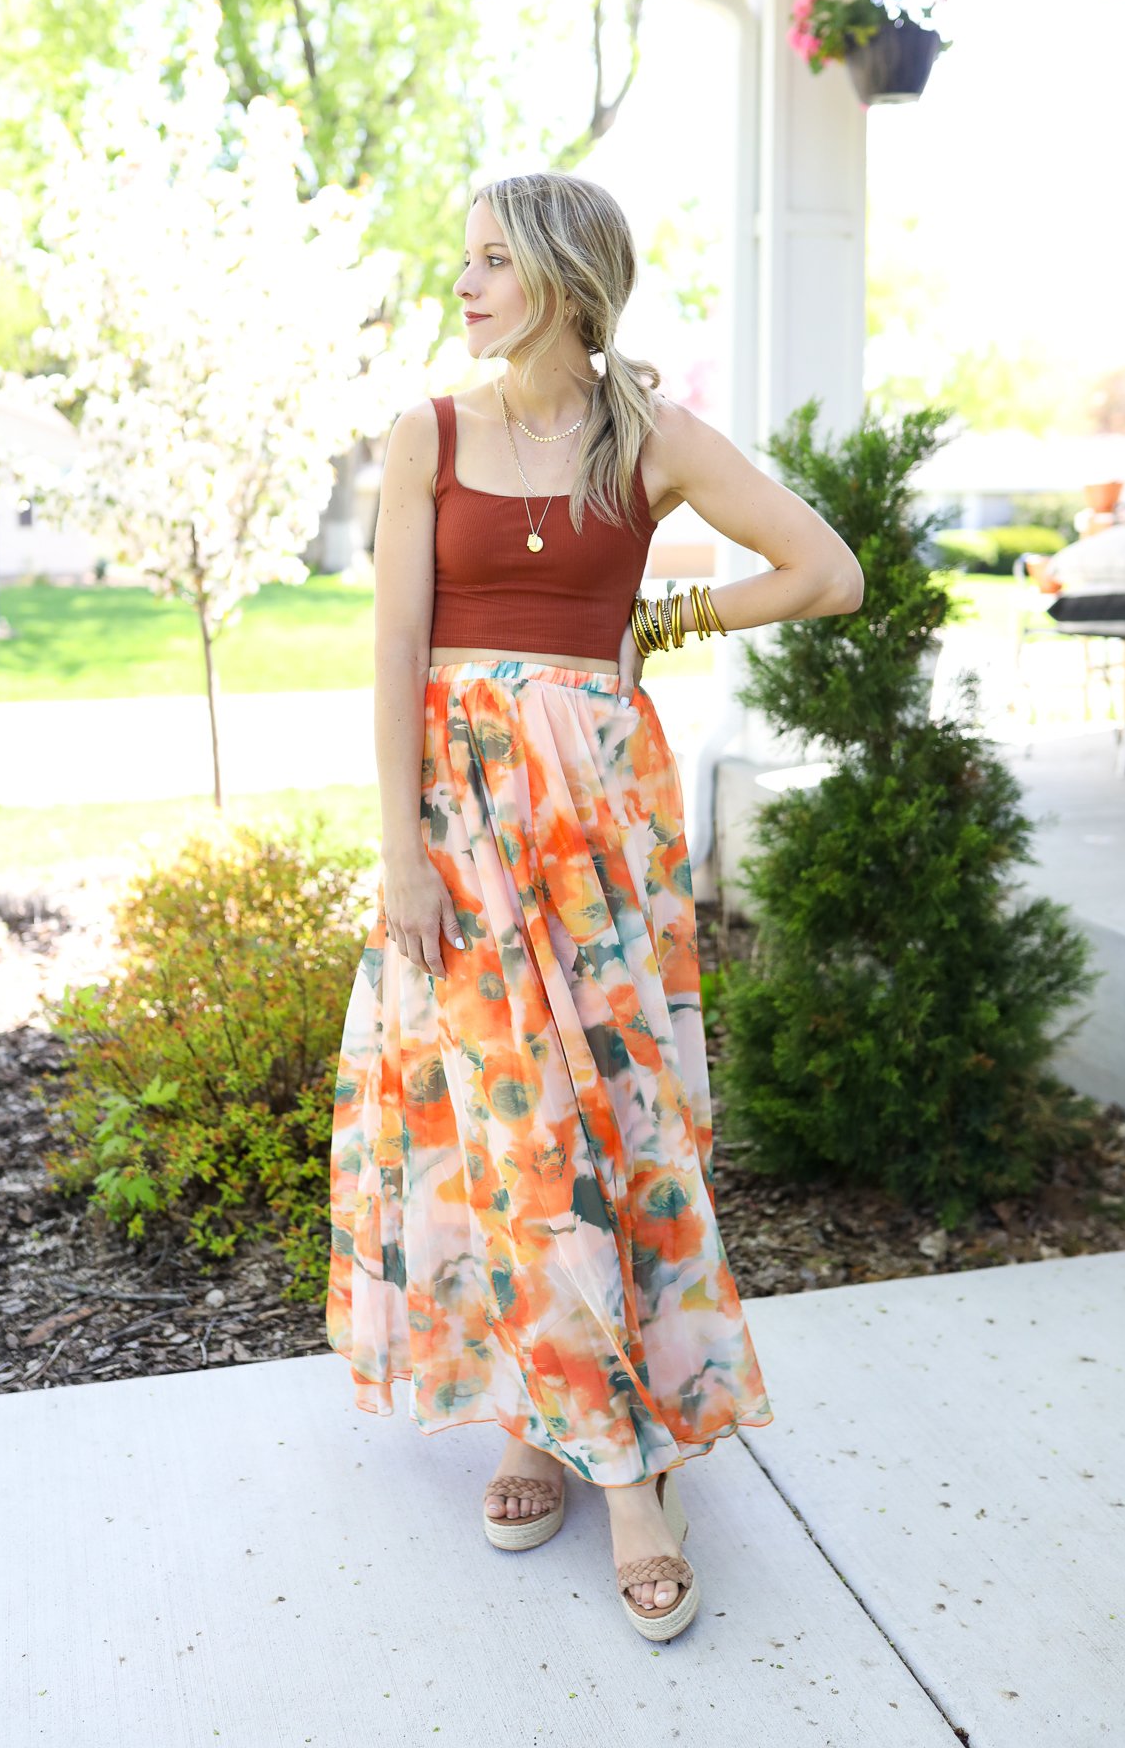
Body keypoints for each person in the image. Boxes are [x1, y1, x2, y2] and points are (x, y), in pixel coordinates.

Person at [325, 170, 864, 1639]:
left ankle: (607, 1455)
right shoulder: (427, 434)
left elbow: (826, 572)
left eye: (492, 258)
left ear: (565, 274)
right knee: (498, 1129)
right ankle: (558, 1431)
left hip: (599, 834)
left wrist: (666, 617)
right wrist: (399, 851)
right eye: (465, 259)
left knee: (609, 1126)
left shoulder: (654, 437)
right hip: (459, 827)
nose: (465, 282)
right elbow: (392, 655)